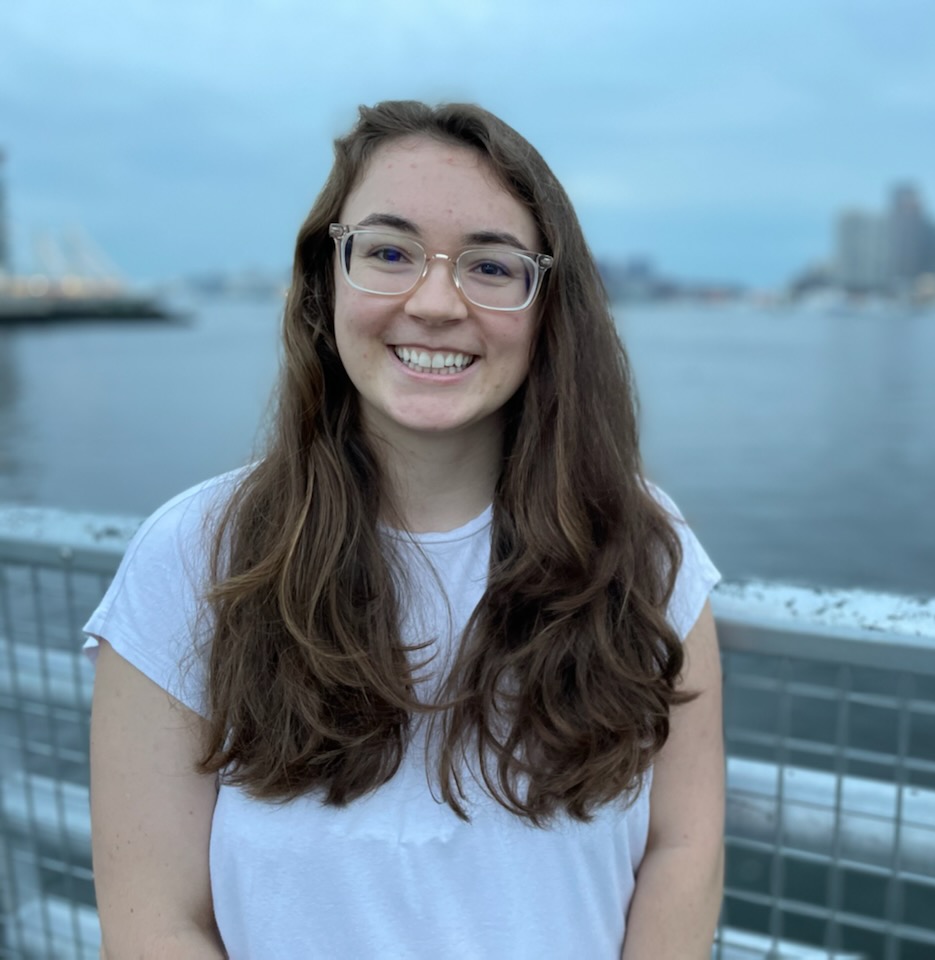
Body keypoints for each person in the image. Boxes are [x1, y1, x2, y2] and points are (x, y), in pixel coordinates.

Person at [85, 100, 724, 959]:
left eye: (492, 267)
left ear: (549, 309)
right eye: (388, 253)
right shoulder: (194, 556)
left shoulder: (640, 547)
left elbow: (683, 848)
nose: (434, 302)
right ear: (325, 281)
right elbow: (155, 918)